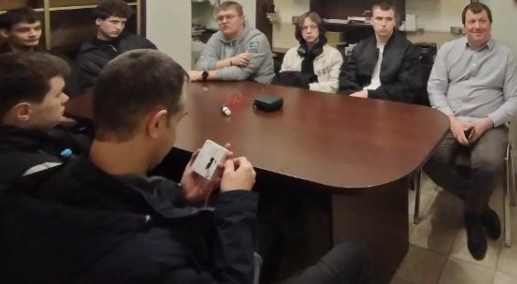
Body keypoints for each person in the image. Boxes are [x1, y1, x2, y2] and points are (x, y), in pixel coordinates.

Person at [0, 49, 373, 284]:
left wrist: (183, 196)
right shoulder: (150, 257)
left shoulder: (39, 184)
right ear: (157, 123)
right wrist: (235, 201)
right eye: (180, 119)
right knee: (355, 252)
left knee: (269, 233)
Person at [424, 2, 517, 261]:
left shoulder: (506, 56)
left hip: (489, 124)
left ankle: (471, 217)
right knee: (428, 159)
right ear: (464, 25)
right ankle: (481, 208)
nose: (477, 26)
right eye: (472, 21)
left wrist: (485, 123)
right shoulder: (448, 51)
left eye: (482, 21)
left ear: (490, 24)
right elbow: (435, 88)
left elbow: (515, 99)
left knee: (488, 164)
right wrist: (452, 121)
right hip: (451, 121)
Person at [0, 52, 87, 189]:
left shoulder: (44, 134)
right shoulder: (43, 172)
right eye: (58, 94)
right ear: (23, 112)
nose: (65, 98)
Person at [338, 1, 422, 103]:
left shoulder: (408, 50)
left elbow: (407, 88)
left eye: (389, 19)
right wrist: (355, 94)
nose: (383, 24)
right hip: (359, 100)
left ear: (394, 22)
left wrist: (370, 94)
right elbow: (346, 78)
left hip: (391, 103)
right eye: (379, 18)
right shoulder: (360, 47)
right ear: (372, 21)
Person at [0, 6, 89, 95]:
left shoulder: (56, 59)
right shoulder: (3, 65)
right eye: (24, 30)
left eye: (37, 28)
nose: (33, 34)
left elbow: (80, 87)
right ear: (5, 33)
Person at [190, 1, 275, 84]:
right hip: (227, 85)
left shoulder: (257, 39)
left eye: (229, 17)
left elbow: (241, 73)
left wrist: (203, 75)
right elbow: (201, 65)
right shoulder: (216, 37)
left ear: (242, 19)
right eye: (220, 18)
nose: (224, 21)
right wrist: (230, 61)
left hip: (258, 87)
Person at [74, 0, 156, 84]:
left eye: (123, 23)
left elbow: (157, 66)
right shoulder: (87, 56)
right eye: (114, 22)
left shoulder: (137, 41)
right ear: (99, 21)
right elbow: (93, 87)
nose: (119, 27)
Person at [278, 11, 343, 93]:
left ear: (319, 29)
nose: (309, 31)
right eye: (304, 28)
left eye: (313, 27)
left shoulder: (334, 55)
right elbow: (283, 82)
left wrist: (306, 87)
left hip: (323, 98)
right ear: (300, 31)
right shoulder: (291, 54)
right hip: (295, 97)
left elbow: (334, 86)